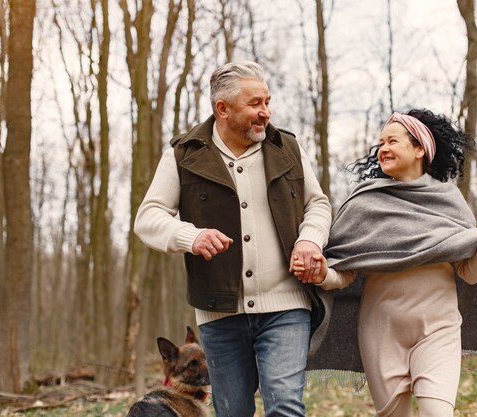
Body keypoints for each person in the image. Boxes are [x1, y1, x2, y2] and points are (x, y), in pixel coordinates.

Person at [294, 109, 477, 417]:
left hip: (438, 328)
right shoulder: (363, 203)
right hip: (381, 332)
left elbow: (469, 274)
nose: (383, 149)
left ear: (419, 149)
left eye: (392, 141)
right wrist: (323, 274)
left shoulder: (449, 200)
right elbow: (344, 273)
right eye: (380, 143)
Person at [134, 61, 332, 417]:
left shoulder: (286, 148)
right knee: (233, 411)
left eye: (267, 102)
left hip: (285, 304)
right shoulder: (183, 155)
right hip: (219, 311)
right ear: (222, 108)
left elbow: (317, 204)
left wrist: (310, 241)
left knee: (286, 405)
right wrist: (188, 236)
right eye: (255, 103)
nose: (265, 112)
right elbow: (147, 218)